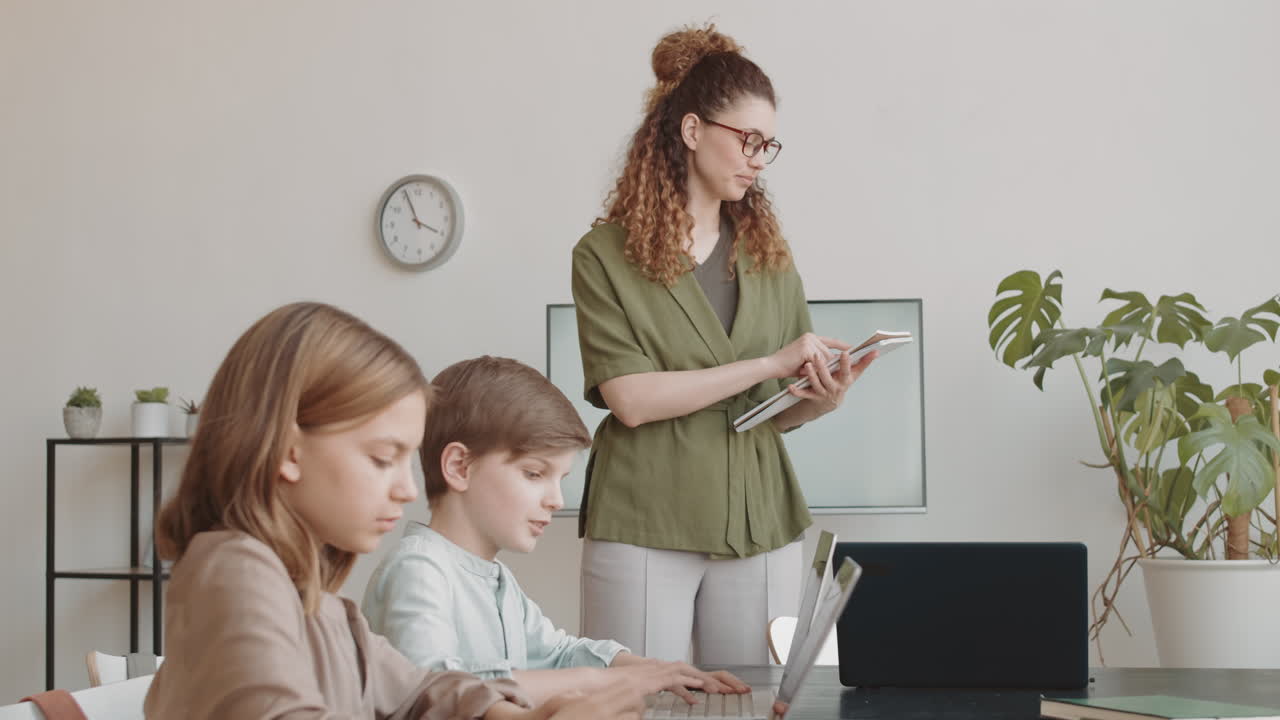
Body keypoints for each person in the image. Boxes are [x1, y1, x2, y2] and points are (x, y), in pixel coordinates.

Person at [145, 303, 675, 720]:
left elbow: (422, 690)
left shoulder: (324, 610)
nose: (406, 489)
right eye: (382, 458)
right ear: (288, 451)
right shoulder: (235, 571)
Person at [571, 23, 878, 669]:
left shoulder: (769, 254)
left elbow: (774, 409)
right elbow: (631, 400)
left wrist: (822, 398)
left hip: (758, 515)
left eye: (769, 145)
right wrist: (767, 363)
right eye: (748, 139)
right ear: (692, 130)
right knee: (638, 701)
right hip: (646, 513)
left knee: (758, 700)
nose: (759, 158)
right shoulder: (604, 256)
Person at [362, 355, 750, 707]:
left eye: (560, 479)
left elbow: (558, 653)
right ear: (460, 467)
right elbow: (435, 689)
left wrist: (654, 670)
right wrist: (602, 681)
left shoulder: (496, 579)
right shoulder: (418, 570)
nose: (555, 500)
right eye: (534, 474)